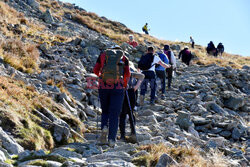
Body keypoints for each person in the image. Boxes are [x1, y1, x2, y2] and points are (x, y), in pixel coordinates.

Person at [93, 45, 130, 147]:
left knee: (105, 111)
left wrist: (102, 77)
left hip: (104, 86)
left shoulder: (103, 55)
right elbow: (127, 73)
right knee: (114, 114)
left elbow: (95, 70)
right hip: (118, 88)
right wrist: (124, 84)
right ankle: (112, 140)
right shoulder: (124, 57)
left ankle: (104, 127)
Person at [119, 61, 144, 143]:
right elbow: (141, 77)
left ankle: (123, 135)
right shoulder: (131, 68)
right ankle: (133, 132)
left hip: (123, 91)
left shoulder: (119, 69)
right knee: (130, 112)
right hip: (131, 91)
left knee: (123, 113)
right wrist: (136, 87)